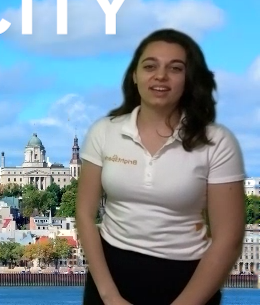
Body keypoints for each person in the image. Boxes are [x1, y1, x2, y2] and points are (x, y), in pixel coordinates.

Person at [76, 28, 246, 305]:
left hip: (188, 281)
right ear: (134, 75)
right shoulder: (104, 132)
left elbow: (228, 238)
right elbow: (84, 214)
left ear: (189, 80)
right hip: (111, 279)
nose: (160, 76)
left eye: (175, 68)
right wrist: (109, 295)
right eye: (150, 66)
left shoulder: (218, 142)